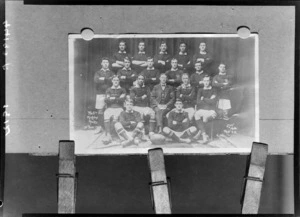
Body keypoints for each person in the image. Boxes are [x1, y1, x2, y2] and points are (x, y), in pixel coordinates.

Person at [93, 57, 115, 134]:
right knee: (100, 110)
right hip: (100, 94)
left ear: (109, 64)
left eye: (107, 62)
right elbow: (96, 80)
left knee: (110, 109)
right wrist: (107, 79)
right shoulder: (98, 72)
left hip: (110, 93)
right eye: (104, 62)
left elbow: (113, 81)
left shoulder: (112, 73)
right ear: (101, 63)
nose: (105, 64)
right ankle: (100, 127)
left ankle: (109, 128)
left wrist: (102, 79)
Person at [103, 75, 126, 144]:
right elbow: (106, 100)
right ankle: (108, 135)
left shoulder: (122, 89)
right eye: (114, 80)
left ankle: (116, 135)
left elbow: (122, 100)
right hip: (110, 108)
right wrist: (117, 98)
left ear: (119, 81)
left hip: (119, 108)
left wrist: (112, 98)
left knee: (116, 118)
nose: (116, 81)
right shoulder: (108, 89)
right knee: (106, 113)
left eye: (117, 80)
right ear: (112, 81)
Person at [194, 75, 217, 143]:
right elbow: (198, 102)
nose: (206, 82)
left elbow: (213, 102)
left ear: (210, 81)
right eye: (205, 81)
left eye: (207, 81)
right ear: (203, 82)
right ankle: (204, 134)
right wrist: (209, 100)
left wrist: (203, 99)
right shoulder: (200, 90)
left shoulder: (213, 90)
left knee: (205, 117)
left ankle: (201, 134)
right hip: (202, 109)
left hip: (211, 110)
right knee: (196, 114)